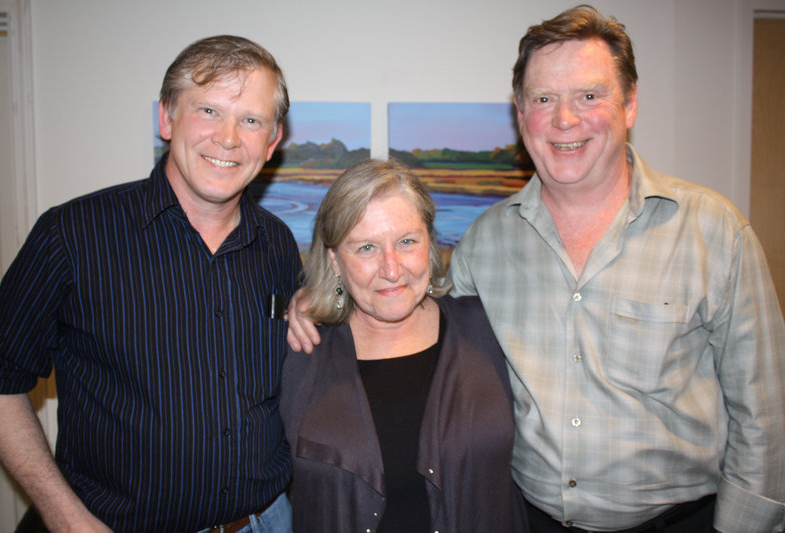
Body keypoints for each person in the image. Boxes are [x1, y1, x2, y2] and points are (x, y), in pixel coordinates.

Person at [287, 6, 785, 533]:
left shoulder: (715, 233)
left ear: (631, 103)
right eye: (544, 99)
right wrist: (317, 298)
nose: (564, 120)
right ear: (522, 115)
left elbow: (767, 415)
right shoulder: (486, 243)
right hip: (529, 520)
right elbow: (402, 300)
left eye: (588, 96)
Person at [0, 35, 300, 533]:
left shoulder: (279, 245)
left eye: (251, 120)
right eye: (209, 111)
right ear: (166, 118)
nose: (228, 138)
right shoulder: (71, 235)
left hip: (266, 523)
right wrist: (63, 515)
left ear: (272, 141)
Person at [279, 159, 527, 533]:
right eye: (366, 248)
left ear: (430, 243)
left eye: (407, 242)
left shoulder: (487, 327)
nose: (391, 269)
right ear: (334, 261)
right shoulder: (299, 351)